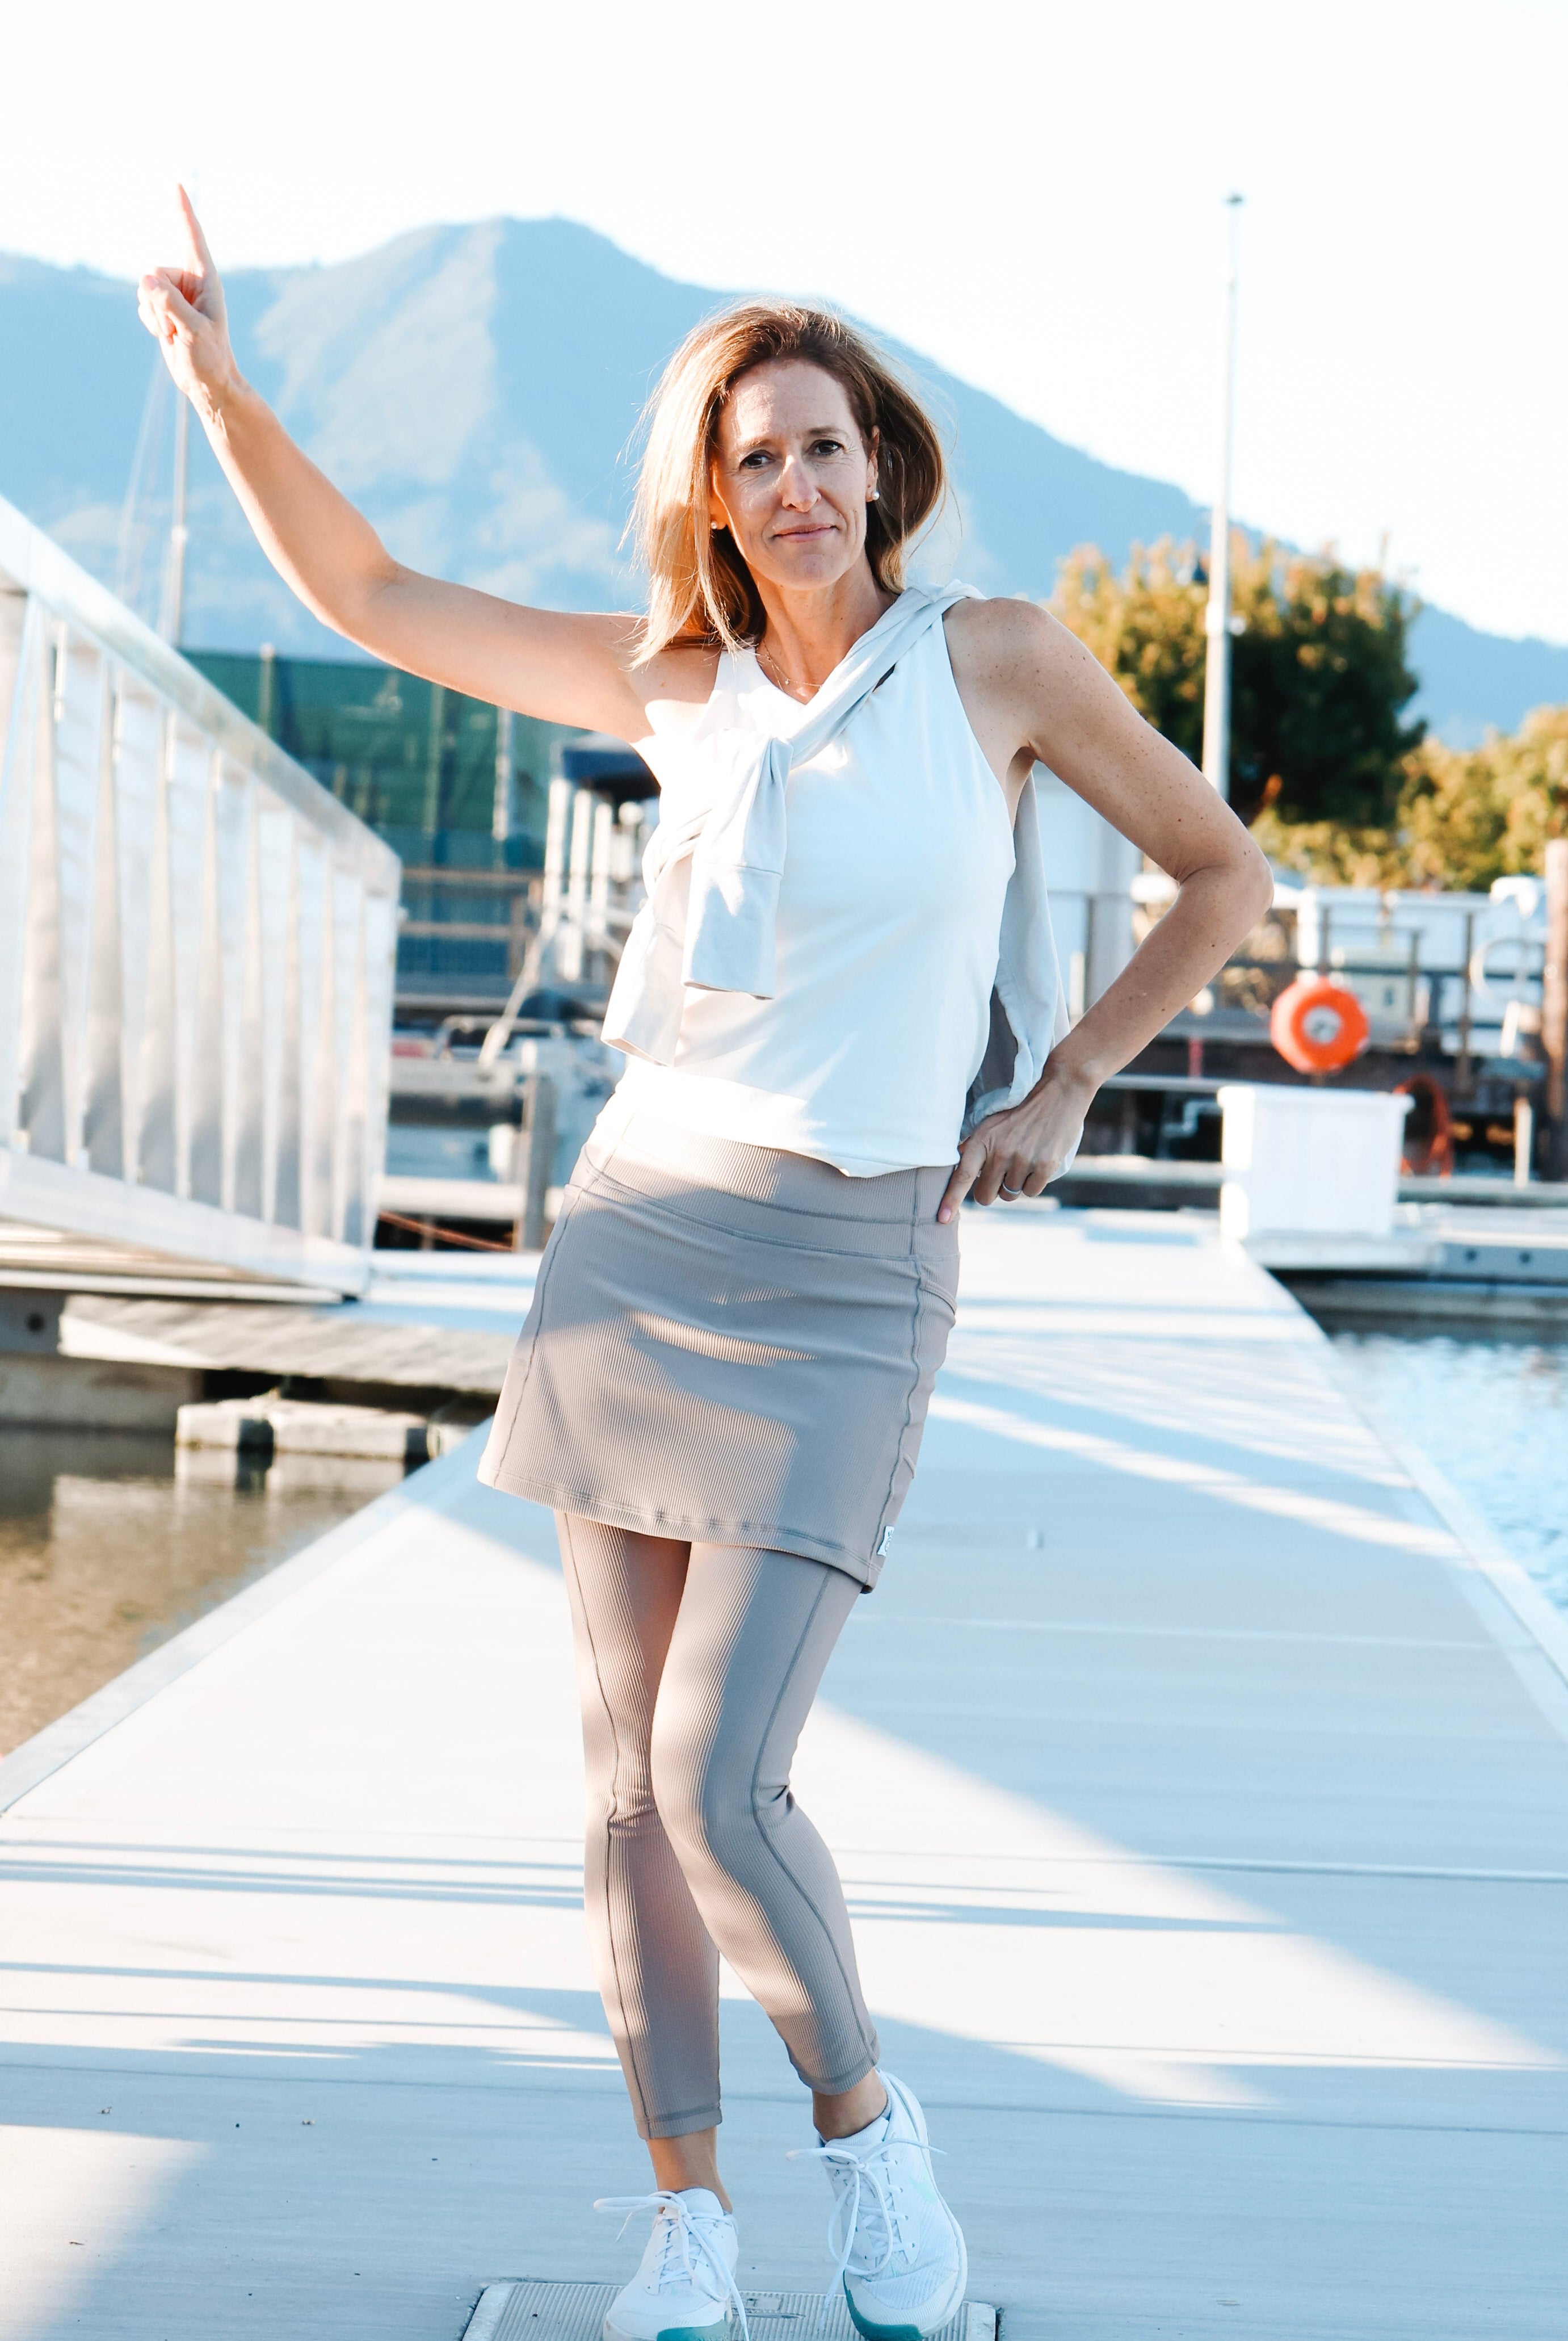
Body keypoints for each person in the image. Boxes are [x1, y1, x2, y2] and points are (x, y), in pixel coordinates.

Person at [139, 190, 1271, 2340]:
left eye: (826, 444)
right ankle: (684, 2219)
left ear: (880, 463)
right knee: (619, 1779)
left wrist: (1067, 1082)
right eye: (758, 457)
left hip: (855, 1264)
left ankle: (867, 2136)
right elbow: (370, 593)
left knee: (716, 1774)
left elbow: (1219, 875)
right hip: (641, 1241)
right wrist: (217, 388)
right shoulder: (673, 679)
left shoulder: (996, 659)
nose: (799, 484)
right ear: (716, 496)